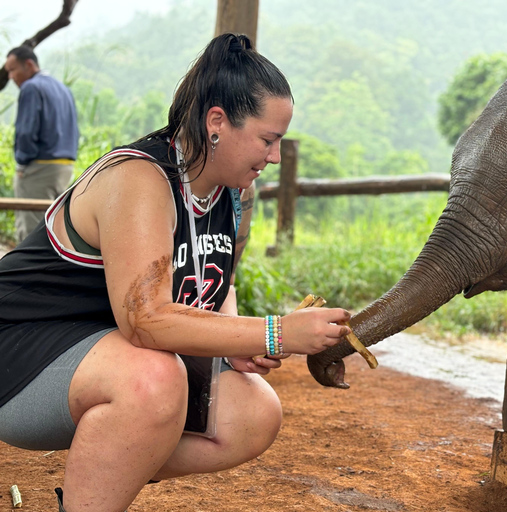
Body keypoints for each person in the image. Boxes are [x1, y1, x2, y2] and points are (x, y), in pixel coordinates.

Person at [0, 33, 351, 512]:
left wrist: (239, 341)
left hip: (99, 358)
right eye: (267, 140)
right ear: (217, 123)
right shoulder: (140, 178)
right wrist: (273, 333)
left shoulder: (233, 193)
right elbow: (145, 322)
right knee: (154, 377)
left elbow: (217, 285)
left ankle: (89, 493)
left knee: (253, 413)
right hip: (20, 350)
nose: (273, 157)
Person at [4, 45, 79, 242]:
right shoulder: (62, 88)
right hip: (64, 167)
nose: (11, 77)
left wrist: (22, 163)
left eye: (12, 70)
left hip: (39, 167)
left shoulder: (31, 87)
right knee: (53, 226)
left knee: (31, 229)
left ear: (28, 65)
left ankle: (28, 273)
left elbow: (26, 131)